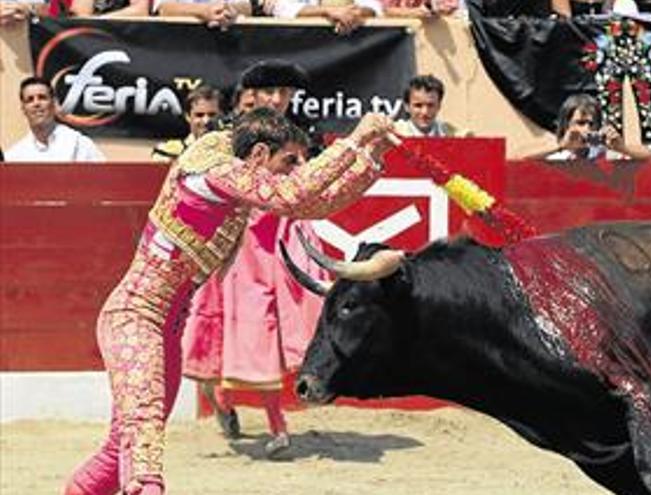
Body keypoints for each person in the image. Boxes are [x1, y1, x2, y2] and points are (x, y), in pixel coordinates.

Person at [63, 107, 401, 495]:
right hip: (135, 317)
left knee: (118, 448)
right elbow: (296, 193)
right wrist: (355, 138)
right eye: (288, 161)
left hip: (168, 328)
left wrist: (371, 157)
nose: (295, 169)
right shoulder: (213, 170)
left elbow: (311, 205)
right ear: (257, 154)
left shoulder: (238, 177)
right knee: (143, 449)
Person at [180, 59, 324, 458]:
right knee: (252, 325)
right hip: (241, 241)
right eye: (270, 92)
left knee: (272, 329)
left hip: (282, 236)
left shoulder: (301, 134)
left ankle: (228, 402)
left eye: (285, 93)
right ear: (253, 94)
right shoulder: (228, 134)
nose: (278, 99)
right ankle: (265, 419)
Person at [5, 76, 105, 163]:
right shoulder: (14, 156)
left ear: (54, 103)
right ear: (23, 109)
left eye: (42, 97)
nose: (36, 104)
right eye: (30, 100)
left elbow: (104, 179)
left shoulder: (78, 144)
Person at [546, 93, 651, 162]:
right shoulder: (557, 158)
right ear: (566, 124)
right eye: (580, 123)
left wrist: (622, 148)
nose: (587, 129)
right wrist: (561, 146)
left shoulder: (607, 155)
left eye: (592, 124)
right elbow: (528, 162)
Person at [152, 85, 223, 163]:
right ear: (188, 116)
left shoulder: (233, 151)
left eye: (212, 115)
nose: (206, 121)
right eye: (199, 115)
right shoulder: (168, 151)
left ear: (222, 115)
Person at [393, 74, 467, 138]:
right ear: (407, 106)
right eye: (418, 105)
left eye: (430, 105)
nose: (425, 112)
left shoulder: (454, 135)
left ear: (439, 106)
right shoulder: (394, 133)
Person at [269, 0, 382, 34]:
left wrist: (355, 14)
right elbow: (280, 7)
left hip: (348, 48)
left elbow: (373, 7)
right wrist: (328, 11)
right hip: (298, 46)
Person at [153, 0, 252, 29]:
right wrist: (204, 11)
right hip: (180, 45)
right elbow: (164, 8)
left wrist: (228, 9)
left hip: (227, 46)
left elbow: (246, 7)